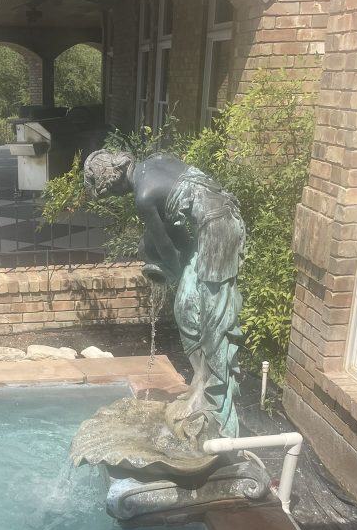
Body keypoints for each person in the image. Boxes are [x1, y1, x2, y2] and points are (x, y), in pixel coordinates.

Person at [83, 150, 246, 439]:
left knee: (203, 315)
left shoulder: (143, 197)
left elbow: (168, 247)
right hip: (226, 218)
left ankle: (216, 410)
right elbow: (179, 226)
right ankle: (203, 385)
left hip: (217, 231)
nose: (116, 196)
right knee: (197, 311)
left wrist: (171, 274)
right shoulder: (157, 159)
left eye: (109, 192)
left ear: (113, 178)